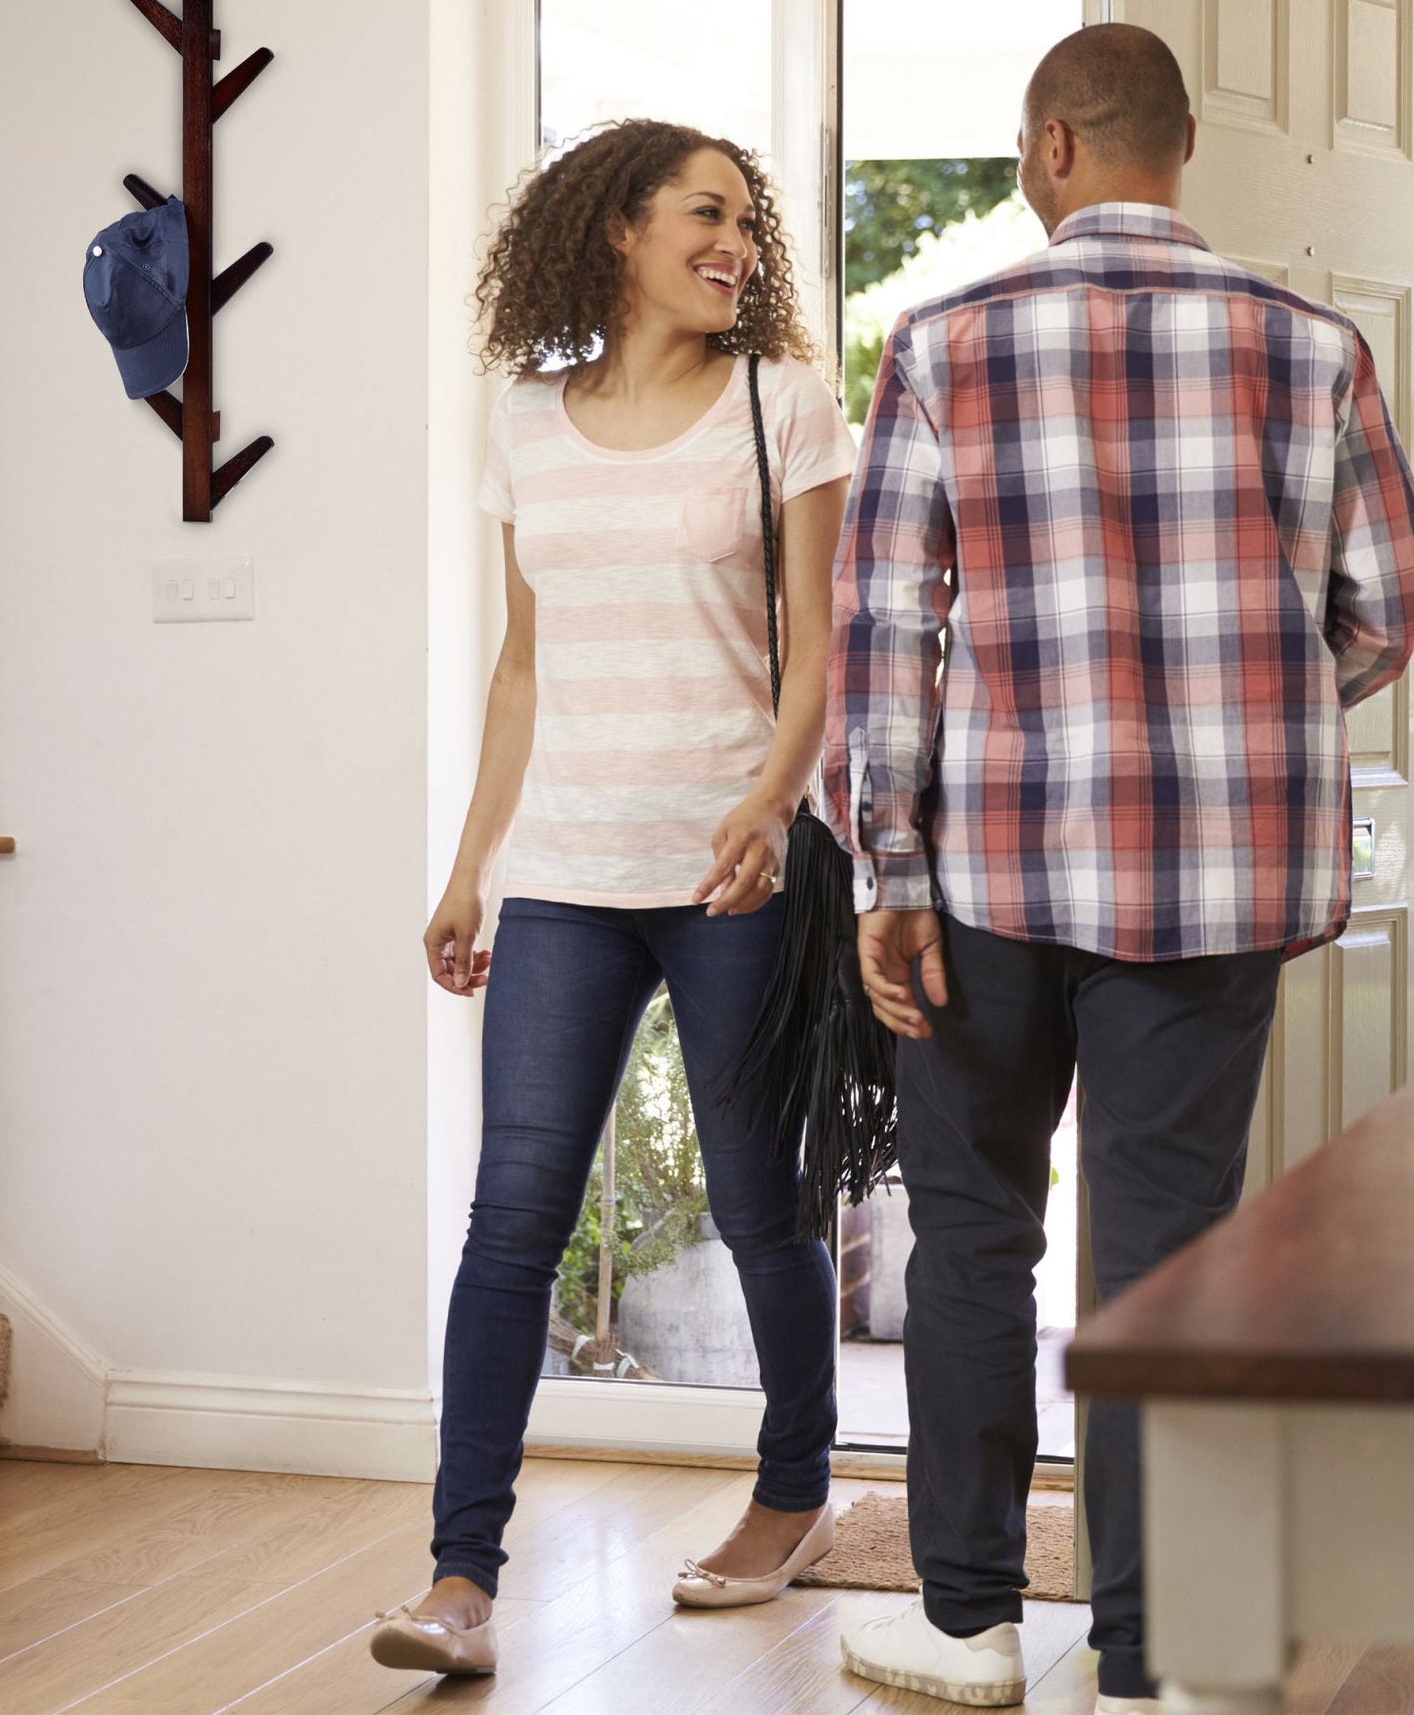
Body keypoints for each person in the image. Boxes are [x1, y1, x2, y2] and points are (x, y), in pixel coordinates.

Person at [829, 24, 1414, 1715]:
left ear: (1048, 150)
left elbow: (884, 632)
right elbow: (1384, 603)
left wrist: (886, 865)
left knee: (967, 1235)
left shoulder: (947, 345)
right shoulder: (1309, 347)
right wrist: (1241, 705)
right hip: (1210, 881)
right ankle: (1148, 1658)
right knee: (1165, 1259)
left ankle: (965, 1626)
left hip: (981, 876)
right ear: (1181, 150)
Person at [369, 119, 854, 1678]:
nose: (737, 243)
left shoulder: (781, 403)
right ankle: (459, 1577)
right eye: (703, 214)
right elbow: (520, 667)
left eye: (746, 220)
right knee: (511, 1215)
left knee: (756, 1198)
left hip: (730, 871)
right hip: (563, 872)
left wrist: (771, 803)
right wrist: (470, 864)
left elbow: (816, 645)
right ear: (615, 232)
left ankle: (790, 1493)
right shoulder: (522, 419)